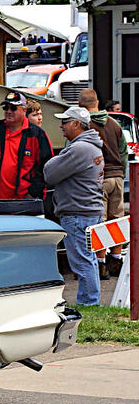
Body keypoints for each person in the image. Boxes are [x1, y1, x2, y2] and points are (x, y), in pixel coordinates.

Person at [46, 106, 104, 306]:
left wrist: (54, 159)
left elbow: (49, 173)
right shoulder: (92, 147)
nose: (61, 126)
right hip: (88, 210)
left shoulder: (79, 148)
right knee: (89, 258)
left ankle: (89, 302)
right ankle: (91, 300)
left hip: (78, 212)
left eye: (65, 122)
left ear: (77, 124)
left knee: (82, 261)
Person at [79, 89, 127, 276]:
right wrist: (121, 173)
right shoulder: (114, 124)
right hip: (117, 177)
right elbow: (123, 152)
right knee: (117, 220)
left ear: (80, 105)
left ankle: (101, 265)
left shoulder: (84, 125)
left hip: (99, 179)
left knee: (100, 222)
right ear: (97, 102)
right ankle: (116, 260)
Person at [0, 91, 53, 201]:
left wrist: (32, 194)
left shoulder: (37, 135)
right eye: (5, 108)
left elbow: (46, 167)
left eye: (13, 108)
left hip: (26, 201)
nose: (8, 111)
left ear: (24, 110)